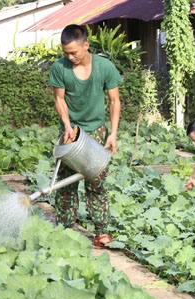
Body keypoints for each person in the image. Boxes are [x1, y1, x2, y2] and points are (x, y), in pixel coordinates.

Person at [48, 24, 122, 248]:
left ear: (86, 45)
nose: (70, 57)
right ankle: (66, 230)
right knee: (65, 185)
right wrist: (67, 126)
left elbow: (115, 101)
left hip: (98, 131)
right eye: (66, 53)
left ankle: (101, 231)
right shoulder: (60, 68)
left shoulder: (105, 67)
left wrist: (113, 134)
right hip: (71, 132)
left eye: (74, 52)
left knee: (96, 182)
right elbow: (60, 100)